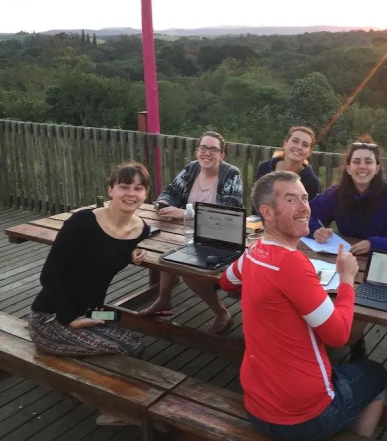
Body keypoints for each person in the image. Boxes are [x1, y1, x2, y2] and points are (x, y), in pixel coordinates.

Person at [219, 171, 387, 440]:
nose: (304, 208)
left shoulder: (253, 252)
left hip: (257, 405)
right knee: (377, 374)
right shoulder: (291, 263)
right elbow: (339, 336)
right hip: (304, 418)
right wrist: (346, 279)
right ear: (267, 213)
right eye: (291, 199)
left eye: (305, 198)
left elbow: (226, 281)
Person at [308, 135, 387, 360]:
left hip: (384, 263)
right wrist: (315, 229)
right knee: (317, 294)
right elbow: (307, 213)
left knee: (353, 316)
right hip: (346, 261)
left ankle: (354, 343)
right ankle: (326, 343)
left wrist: (375, 243)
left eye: (368, 161)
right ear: (348, 167)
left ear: (377, 167)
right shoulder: (337, 193)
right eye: (357, 161)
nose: (362, 166)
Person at [29, 162, 151, 357]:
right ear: (111, 191)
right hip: (53, 315)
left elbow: (110, 245)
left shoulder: (141, 230)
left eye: (138, 188)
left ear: (145, 194)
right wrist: (70, 319)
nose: (131, 193)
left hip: (93, 312)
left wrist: (131, 249)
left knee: (133, 336)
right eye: (124, 187)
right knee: (127, 350)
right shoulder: (82, 222)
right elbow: (49, 276)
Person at [140, 130, 243, 334]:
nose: (207, 153)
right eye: (203, 148)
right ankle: (163, 299)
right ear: (197, 151)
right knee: (167, 252)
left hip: (220, 239)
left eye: (213, 149)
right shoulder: (191, 168)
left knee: (187, 265)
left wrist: (185, 212)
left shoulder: (231, 174)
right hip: (186, 234)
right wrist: (164, 205)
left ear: (222, 155)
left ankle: (222, 313)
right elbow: (170, 192)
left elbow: (228, 210)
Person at [255, 125, 320, 202]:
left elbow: (310, 209)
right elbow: (256, 202)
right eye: (295, 141)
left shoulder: (311, 181)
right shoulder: (265, 167)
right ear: (285, 144)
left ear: (309, 152)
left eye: (305, 145)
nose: (299, 147)